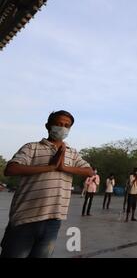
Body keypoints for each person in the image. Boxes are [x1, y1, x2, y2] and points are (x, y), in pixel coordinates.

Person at [0, 110, 93, 258]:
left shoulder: (72, 152)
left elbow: (89, 172)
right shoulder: (31, 147)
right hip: (25, 218)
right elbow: (11, 169)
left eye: (67, 125)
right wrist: (49, 167)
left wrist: (64, 168)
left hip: (53, 220)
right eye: (58, 124)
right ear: (48, 126)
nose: (62, 128)